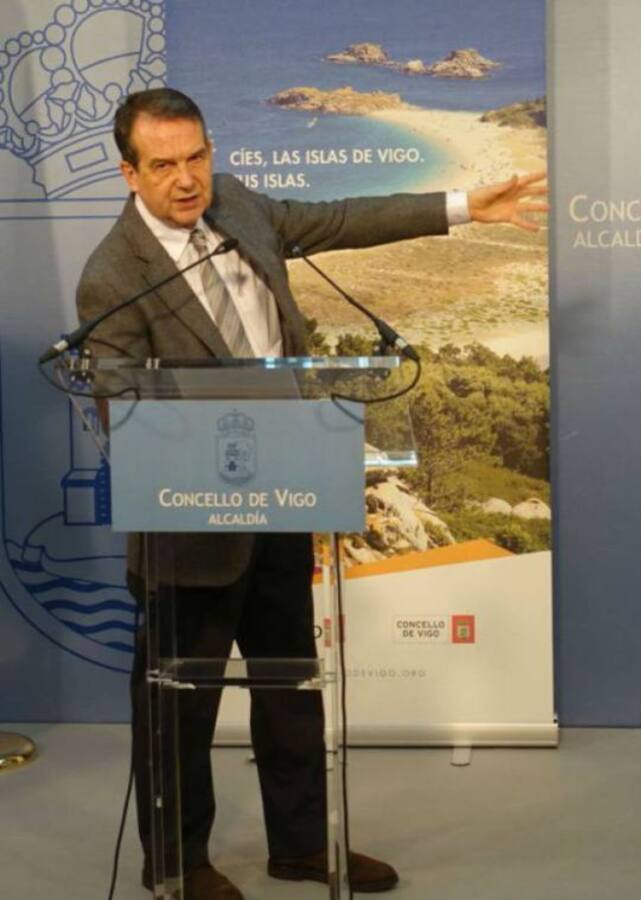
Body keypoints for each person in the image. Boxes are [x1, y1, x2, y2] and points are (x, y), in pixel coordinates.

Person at [76, 87, 547, 900]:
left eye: (197, 157)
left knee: (290, 687)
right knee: (179, 710)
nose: (187, 179)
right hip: (189, 523)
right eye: (164, 165)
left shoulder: (239, 207)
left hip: (285, 497)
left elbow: (341, 220)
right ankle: (178, 864)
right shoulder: (114, 273)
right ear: (129, 173)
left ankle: (299, 847)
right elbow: (121, 408)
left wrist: (466, 206)